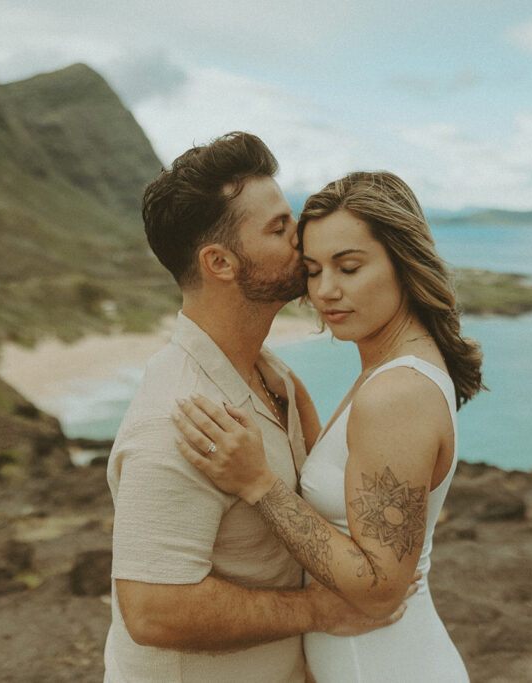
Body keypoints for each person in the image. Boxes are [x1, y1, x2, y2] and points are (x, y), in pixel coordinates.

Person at [104, 135, 410, 683]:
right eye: (279, 229)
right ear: (220, 262)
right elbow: (152, 610)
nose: (303, 239)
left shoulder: (273, 377)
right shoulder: (178, 419)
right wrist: (317, 611)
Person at [174, 171, 484, 682]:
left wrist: (258, 485)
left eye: (349, 266)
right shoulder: (392, 371)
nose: (326, 291)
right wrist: (284, 387)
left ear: (404, 263)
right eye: (314, 271)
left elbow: (381, 587)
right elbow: (351, 481)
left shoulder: (395, 392)